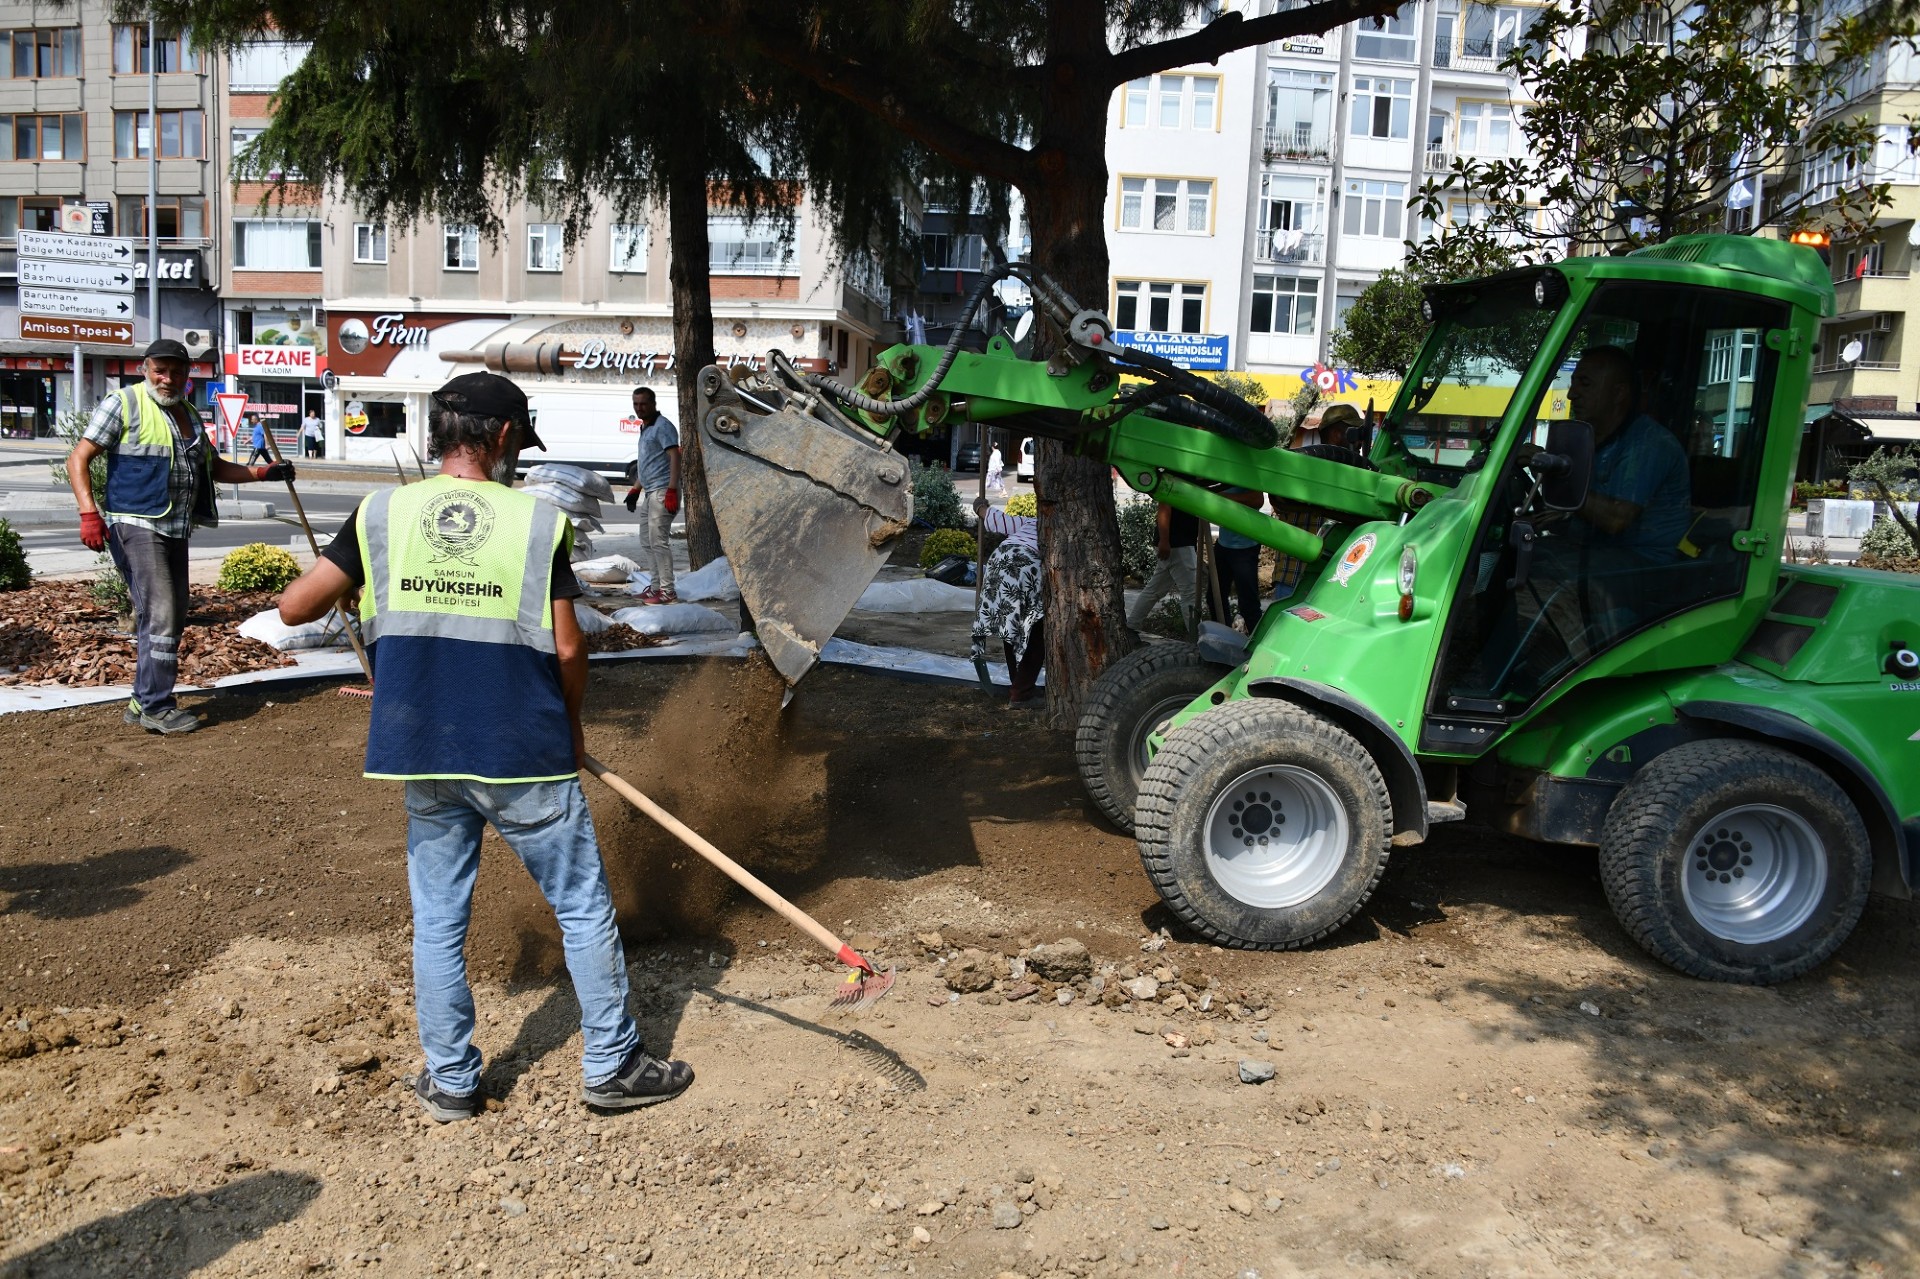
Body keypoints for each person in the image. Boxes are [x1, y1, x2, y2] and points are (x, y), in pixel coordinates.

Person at [276, 371, 693, 1121]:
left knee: (439, 917)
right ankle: (611, 1064)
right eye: (517, 442)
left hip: (421, 748)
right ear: (503, 437)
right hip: (521, 747)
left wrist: (355, 584)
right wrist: (570, 724)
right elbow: (568, 649)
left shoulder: (381, 514)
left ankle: (452, 1080)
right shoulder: (534, 524)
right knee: (581, 904)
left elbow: (294, 605)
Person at [64, 339, 294, 734]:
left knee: (169, 612)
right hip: (137, 524)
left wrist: (262, 473)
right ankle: (156, 706)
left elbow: (214, 466)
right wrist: (89, 513)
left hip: (174, 526)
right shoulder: (125, 403)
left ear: (188, 376)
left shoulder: (187, 412)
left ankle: (143, 698)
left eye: (176, 372)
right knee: (164, 612)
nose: (167, 379)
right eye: (160, 370)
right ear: (146, 369)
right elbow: (78, 458)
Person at [971, 494, 1044, 707]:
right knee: (1035, 629)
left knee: (1011, 626)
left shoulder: (1030, 521)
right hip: (1025, 564)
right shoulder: (1064, 528)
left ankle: (1019, 685)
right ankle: (1022, 692)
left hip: (998, 561)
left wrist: (980, 507)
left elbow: (994, 518)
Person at [619, 386, 681, 604]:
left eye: (643, 403)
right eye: (635, 404)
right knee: (647, 541)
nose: (639, 408)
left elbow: (675, 456)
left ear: (653, 403)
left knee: (659, 542)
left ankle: (668, 591)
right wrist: (636, 488)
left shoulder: (663, 427)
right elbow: (649, 463)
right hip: (650, 491)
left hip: (663, 491)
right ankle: (656, 587)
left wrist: (672, 489)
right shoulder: (645, 428)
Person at [1126, 501, 1199, 632]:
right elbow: (1164, 506)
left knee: (1155, 590)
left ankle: (1131, 627)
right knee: (1191, 594)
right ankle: (1198, 639)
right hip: (1177, 544)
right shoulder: (1177, 480)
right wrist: (1164, 540)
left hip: (1178, 542)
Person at [1210, 487, 1268, 633]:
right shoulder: (1222, 471)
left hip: (1245, 546)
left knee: (1248, 604)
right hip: (1224, 543)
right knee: (1213, 597)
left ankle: (1256, 644)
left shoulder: (1246, 471)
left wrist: (1223, 496)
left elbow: (1257, 499)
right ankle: (1223, 638)